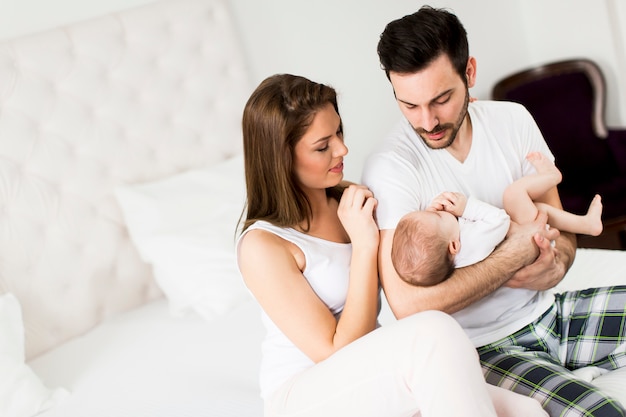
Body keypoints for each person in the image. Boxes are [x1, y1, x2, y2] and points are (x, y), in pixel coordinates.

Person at [363, 5, 626, 416]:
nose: (427, 120)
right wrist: (518, 254)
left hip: (551, 313)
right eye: (409, 105)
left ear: (469, 73)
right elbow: (409, 306)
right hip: (483, 350)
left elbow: (564, 238)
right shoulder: (391, 167)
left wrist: (557, 265)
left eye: (441, 99)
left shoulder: (512, 120)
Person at [237, 73, 547, 417]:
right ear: (281, 159)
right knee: (434, 331)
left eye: (339, 132)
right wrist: (365, 245)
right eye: (323, 146)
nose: (342, 149)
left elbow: (428, 248)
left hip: (371, 371)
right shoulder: (263, 246)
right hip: (308, 391)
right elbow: (336, 351)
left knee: (526, 411)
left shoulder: (350, 199)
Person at [392, 151, 604, 287]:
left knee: (539, 208)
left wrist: (433, 213)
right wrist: (467, 207)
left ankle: (587, 224)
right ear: (454, 246)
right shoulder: (472, 242)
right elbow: (499, 220)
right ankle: (552, 176)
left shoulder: (451, 252)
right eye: (437, 215)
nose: (439, 210)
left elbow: (436, 231)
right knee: (513, 196)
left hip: (525, 237)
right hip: (531, 244)